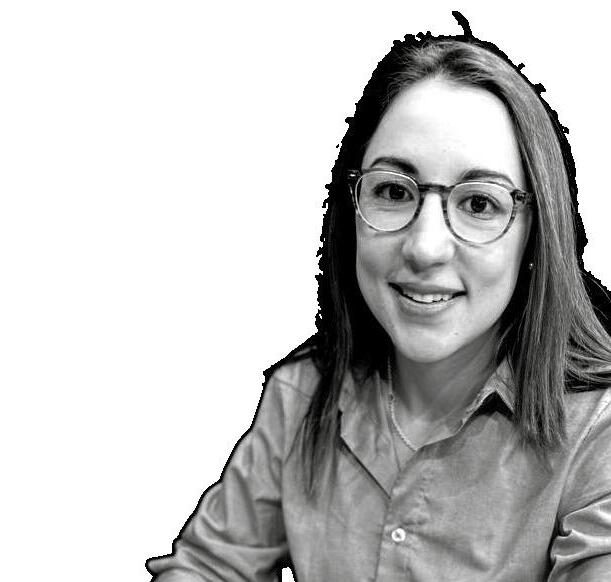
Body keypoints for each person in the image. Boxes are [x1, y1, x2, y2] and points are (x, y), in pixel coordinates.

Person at [146, 21, 611, 582]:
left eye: (479, 204)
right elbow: (209, 568)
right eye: (393, 191)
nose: (425, 247)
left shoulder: (601, 433)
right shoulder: (301, 395)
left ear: (537, 236)